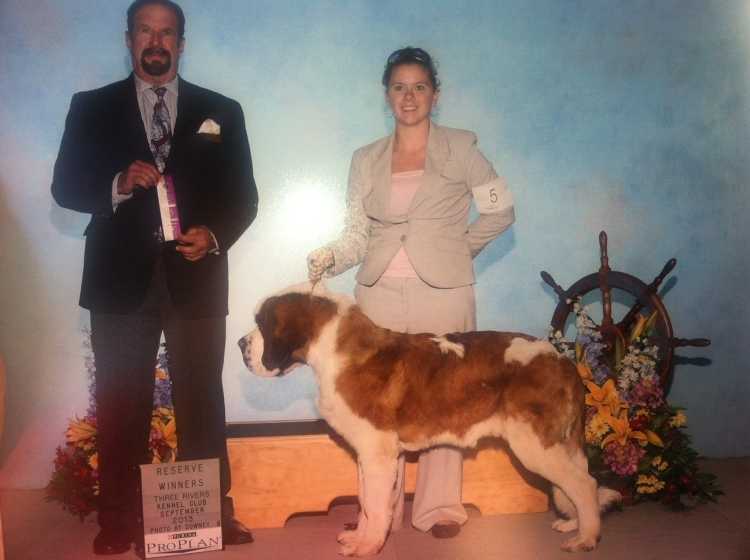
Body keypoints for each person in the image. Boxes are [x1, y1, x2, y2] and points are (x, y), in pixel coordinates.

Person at [51, 0, 258, 554]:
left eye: (167, 32)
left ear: (181, 44)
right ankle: (118, 520)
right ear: (129, 38)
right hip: (118, 281)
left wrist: (214, 235)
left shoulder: (223, 111)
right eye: (146, 30)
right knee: (120, 400)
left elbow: (244, 197)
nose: (156, 41)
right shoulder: (90, 107)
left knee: (202, 399)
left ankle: (214, 515)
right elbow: (65, 186)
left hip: (197, 277)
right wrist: (118, 183)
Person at [307, 47, 515, 539]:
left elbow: (501, 211)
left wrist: (459, 250)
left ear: (435, 95)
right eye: (399, 87)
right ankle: (378, 514)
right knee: (375, 409)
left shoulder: (463, 147)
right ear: (387, 95)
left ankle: (440, 508)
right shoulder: (364, 159)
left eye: (419, 87)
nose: (409, 96)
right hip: (377, 295)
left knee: (446, 396)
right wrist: (329, 257)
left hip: (444, 293)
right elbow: (357, 235)